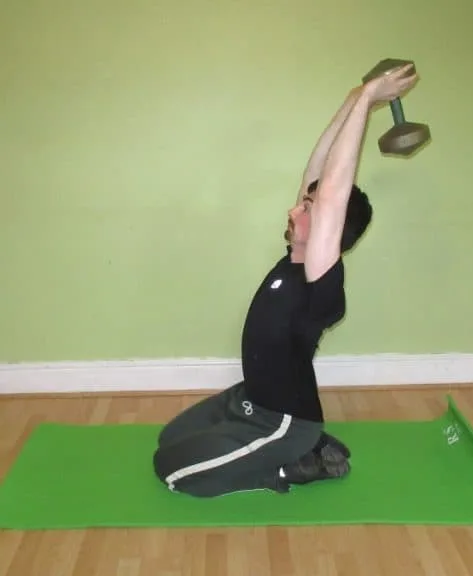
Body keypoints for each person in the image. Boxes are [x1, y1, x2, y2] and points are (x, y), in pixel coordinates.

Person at [151, 63, 420, 497]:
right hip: (247, 398)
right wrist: (356, 99)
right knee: (170, 438)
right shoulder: (293, 260)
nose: (296, 208)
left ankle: (290, 464)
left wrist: (372, 95)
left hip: (283, 421)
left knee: (172, 471)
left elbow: (331, 191)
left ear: (332, 230)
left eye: (308, 208)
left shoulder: (320, 284)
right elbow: (317, 175)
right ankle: (302, 448)